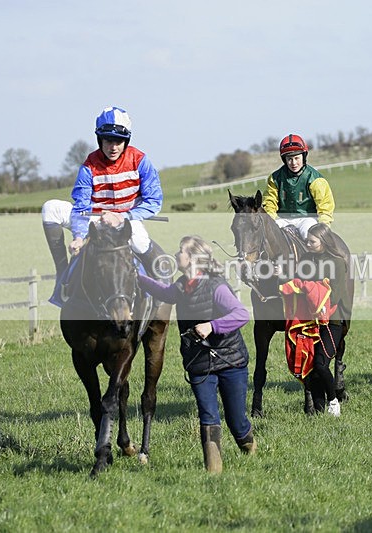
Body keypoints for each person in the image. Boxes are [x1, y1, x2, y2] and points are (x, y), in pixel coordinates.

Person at [138, 236, 256, 473]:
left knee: (236, 421)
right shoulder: (182, 286)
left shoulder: (216, 286)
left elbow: (241, 315)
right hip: (199, 363)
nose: (176, 254)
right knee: (208, 414)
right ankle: (213, 471)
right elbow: (165, 292)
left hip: (230, 361)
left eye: (181, 251)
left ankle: (249, 445)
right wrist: (136, 278)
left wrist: (212, 326)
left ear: (193, 259)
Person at [41, 106, 168, 293]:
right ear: (100, 139)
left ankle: (161, 288)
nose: (113, 147)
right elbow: (81, 207)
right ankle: (62, 277)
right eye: (108, 140)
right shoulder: (89, 166)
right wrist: (79, 236)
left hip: (128, 219)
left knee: (140, 242)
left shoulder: (141, 161)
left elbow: (154, 202)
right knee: (50, 207)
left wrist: (122, 217)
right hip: (95, 218)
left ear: (126, 140)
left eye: (119, 141)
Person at [302, 223, 352, 416]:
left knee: (321, 364)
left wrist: (321, 305)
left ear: (323, 241)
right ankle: (318, 410)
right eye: (307, 240)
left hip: (333, 320)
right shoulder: (306, 259)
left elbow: (337, 293)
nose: (307, 243)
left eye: (311, 241)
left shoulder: (337, 262)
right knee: (312, 366)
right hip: (309, 321)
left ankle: (333, 402)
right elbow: (299, 282)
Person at [262, 133, 335, 239]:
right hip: (282, 220)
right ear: (284, 160)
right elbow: (269, 203)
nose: (294, 163)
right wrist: (272, 221)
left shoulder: (316, 179)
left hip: (307, 219)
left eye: (297, 158)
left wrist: (323, 226)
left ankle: (316, 256)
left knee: (311, 238)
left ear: (304, 157)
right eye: (289, 159)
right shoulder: (274, 178)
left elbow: (325, 206)